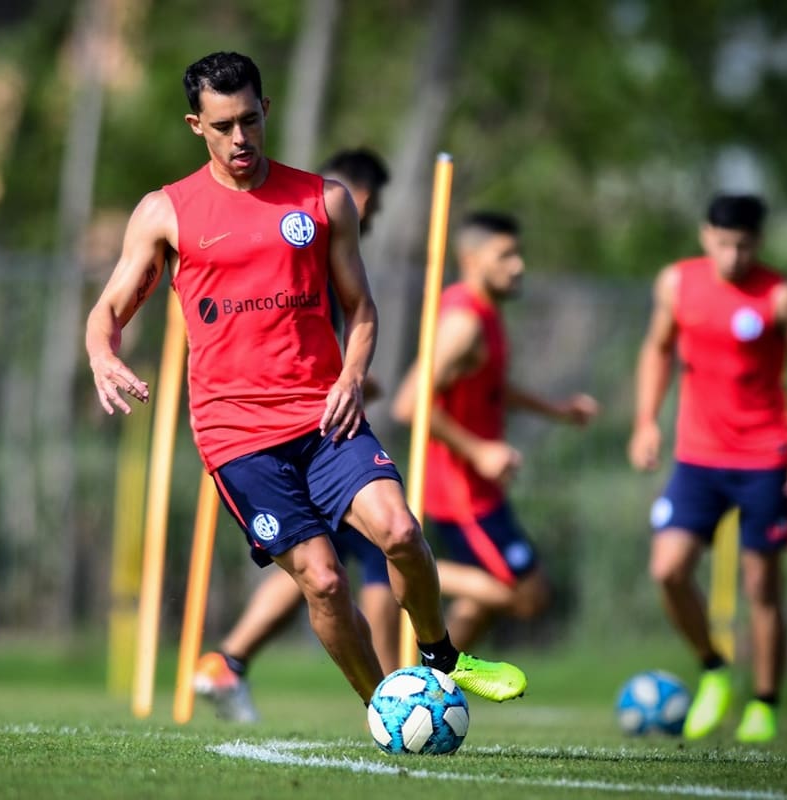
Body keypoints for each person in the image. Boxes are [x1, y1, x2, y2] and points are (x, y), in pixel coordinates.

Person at [85, 51, 526, 712]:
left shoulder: (322, 201)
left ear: (266, 110)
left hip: (325, 419)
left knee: (401, 533)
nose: (240, 138)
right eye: (222, 125)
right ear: (194, 125)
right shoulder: (165, 212)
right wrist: (101, 353)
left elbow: (362, 310)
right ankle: (386, 708)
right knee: (322, 580)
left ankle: (440, 654)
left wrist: (352, 376)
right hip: (237, 437)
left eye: (249, 120)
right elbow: (109, 309)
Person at [193, 148, 398, 723]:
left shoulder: (314, 242)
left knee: (324, 566)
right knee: (355, 563)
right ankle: (403, 689)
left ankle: (228, 661)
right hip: (276, 433)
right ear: (357, 197)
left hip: (315, 424)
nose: (373, 217)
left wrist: (354, 377)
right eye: (373, 204)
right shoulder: (314, 244)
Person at [628, 194, 787, 743]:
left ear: (758, 243)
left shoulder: (783, 298)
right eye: (722, 243)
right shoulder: (677, 284)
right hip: (697, 458)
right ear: (705, 236)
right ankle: (714, 670)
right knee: (667, 570)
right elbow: (657, 347)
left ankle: (764, 704)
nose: (732, 255)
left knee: (761, 584)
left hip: (766, 459)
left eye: (743, 245)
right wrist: (646, 420)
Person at [392, 212, 597, 651]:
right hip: (461, 492)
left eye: (518, 253)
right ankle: (406, 566)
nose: (518, 265)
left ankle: (427, 682)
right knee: (528, 595)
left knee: (479, 606)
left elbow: (490, 387)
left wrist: (556, 410)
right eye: (504, 255)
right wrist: (480, 450)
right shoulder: (463, 324)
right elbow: (410, 403)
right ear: (471, 259)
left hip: (481, 489)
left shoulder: (485, 313)